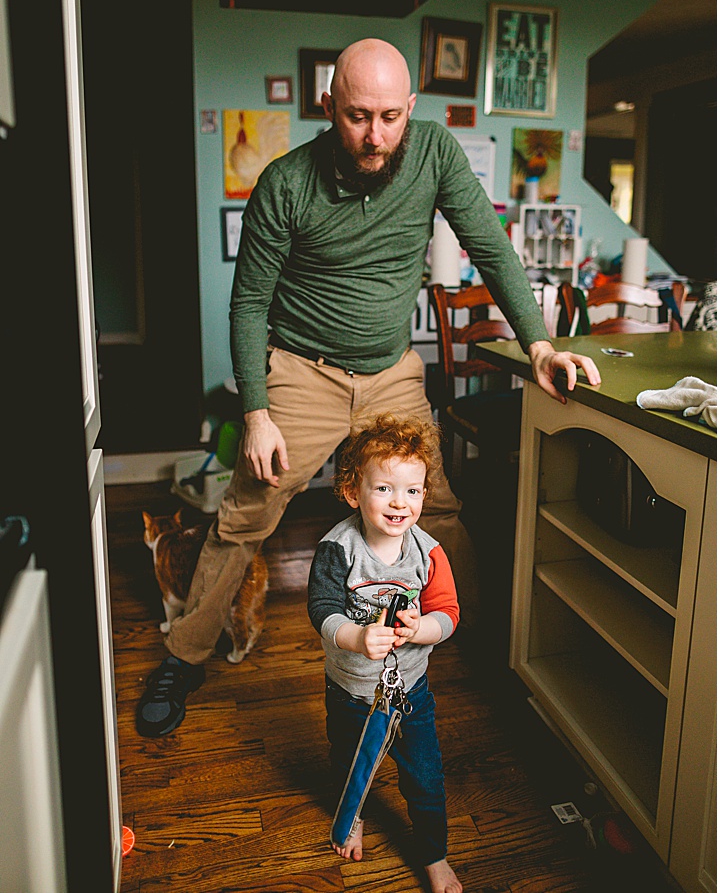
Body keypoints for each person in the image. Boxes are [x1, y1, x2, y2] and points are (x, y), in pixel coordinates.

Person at [136, 38, 600, 738]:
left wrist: (537, 341)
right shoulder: (287, 183)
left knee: (436, 507)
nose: (376, 135)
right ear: (329, 107)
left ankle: (481, 646)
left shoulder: (435, 154)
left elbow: (492, 249)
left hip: (390, 372)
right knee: (247, 515)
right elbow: (249, 305)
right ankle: (185, 654)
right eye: (358, 117)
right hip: (301, 369)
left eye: (390, 116)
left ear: (411, 108)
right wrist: (257, 413)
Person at [308, 413, 461, 893]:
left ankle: (433, 854)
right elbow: (322, 607)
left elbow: (449, 612)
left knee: (426, 777)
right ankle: (352, 817)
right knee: (352, 764)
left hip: (409, 693)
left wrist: (424, 629)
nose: (400, 503)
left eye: (412, 491)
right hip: (351, 691)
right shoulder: (339, 548)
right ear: (354, 492)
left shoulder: (429, 552)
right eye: (385, 489)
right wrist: (355, 637)